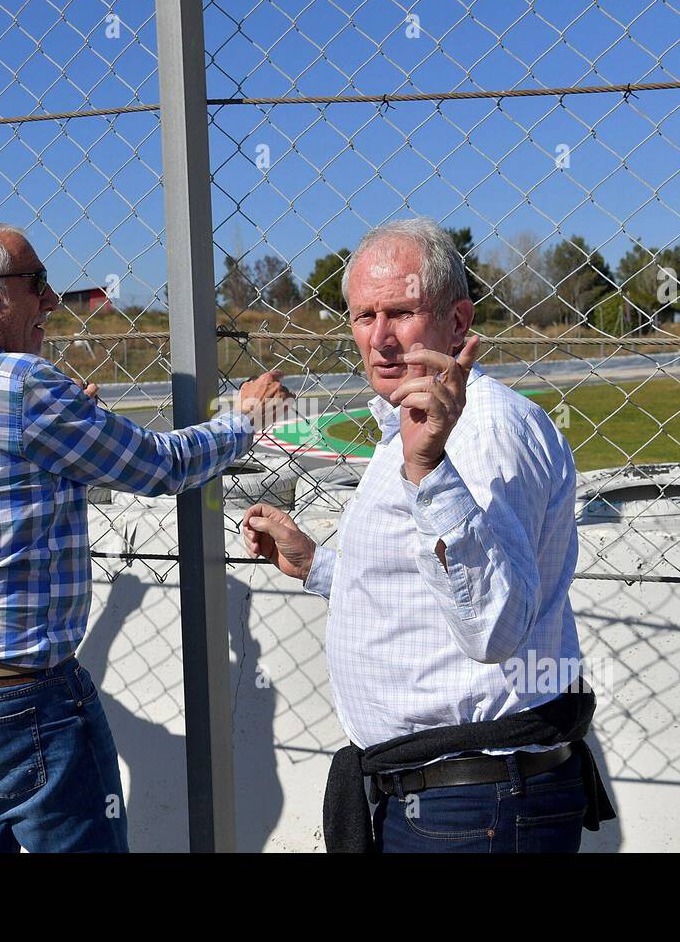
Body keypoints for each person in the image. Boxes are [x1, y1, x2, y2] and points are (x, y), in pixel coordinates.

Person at [0, 220, 289, 853]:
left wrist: (67, 416)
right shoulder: (21, 385)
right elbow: (159, 465)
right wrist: (242, 422)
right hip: (15, 698)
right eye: (35, 284)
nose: (51, 301)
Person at [242, 217, 614, 853]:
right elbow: (431, 589)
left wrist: (431, 469)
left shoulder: (483, 432)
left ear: (459, 321)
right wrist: (318, 567)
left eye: (402, 313)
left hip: (474, 804)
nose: (380, 339)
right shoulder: (417, 425)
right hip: (445, 798)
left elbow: (494, 628)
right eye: (363, 316)